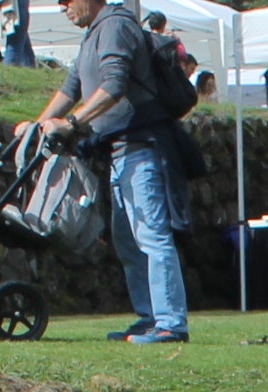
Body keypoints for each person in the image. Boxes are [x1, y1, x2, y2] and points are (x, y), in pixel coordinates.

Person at [23, 0, 189, 343]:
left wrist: (70, 123)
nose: (62, 6)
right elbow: (70, 89)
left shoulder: (115, 25)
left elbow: (114, 85)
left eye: (67, 0)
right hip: (118, 152)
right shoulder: (92, 35)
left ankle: (171, 323)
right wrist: (36, 127)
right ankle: (149, 319)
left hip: (141, 148)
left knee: (151, 236)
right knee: (128, 242)